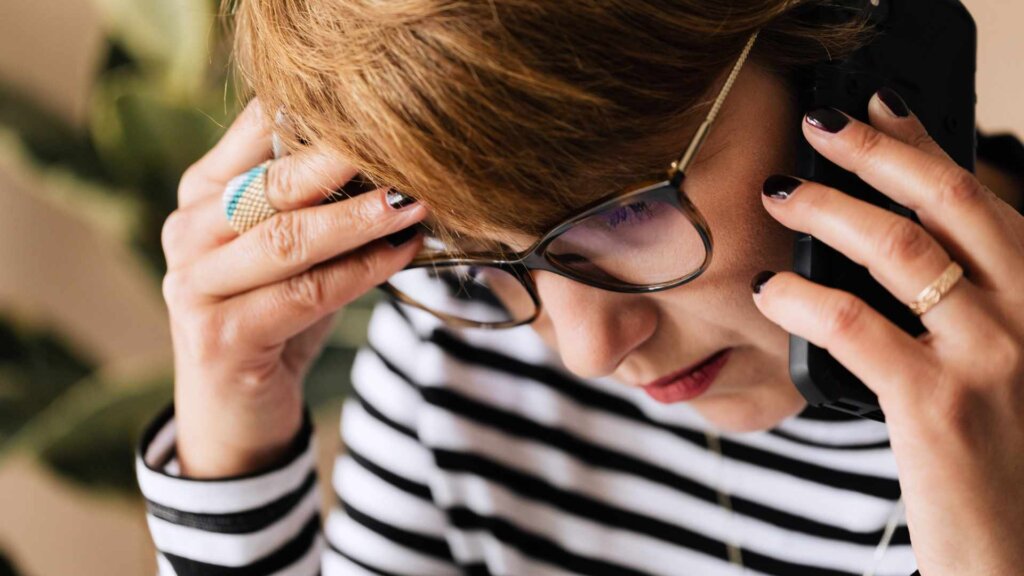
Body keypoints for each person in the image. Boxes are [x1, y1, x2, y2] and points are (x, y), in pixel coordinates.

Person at [135, 0, 1024, 574]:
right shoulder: (458, 346)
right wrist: (232, 444)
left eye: (629, 212)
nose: (590, 352)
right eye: (476, 253)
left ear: (855, 57)